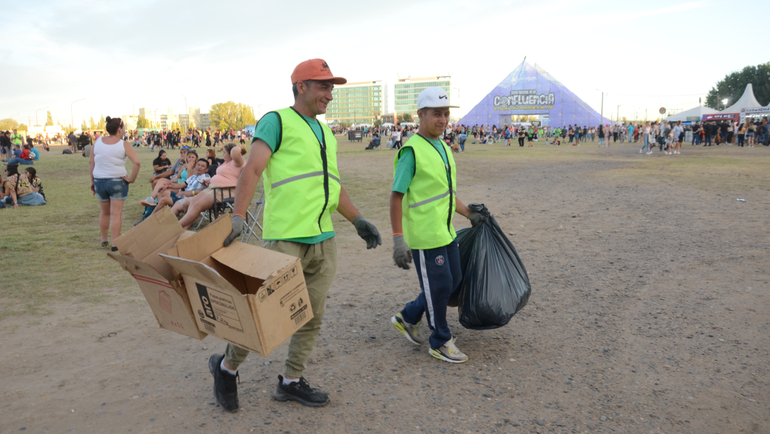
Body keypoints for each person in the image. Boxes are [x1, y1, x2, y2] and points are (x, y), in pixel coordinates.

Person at [209, 58, 382, 413]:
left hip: (323, 240)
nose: (330, 94)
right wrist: (238, 216)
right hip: (286, 239)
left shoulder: (324, 132)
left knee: (311, 314)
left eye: (332, 87)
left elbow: (332, 186)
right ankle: (226, 368)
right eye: (323, 86)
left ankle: (290, 381)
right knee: (265, 313)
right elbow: (253, 169)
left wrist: (357, 219)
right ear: (301, 86)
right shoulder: (276, 121)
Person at [389, 87, 485, 365]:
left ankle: (408, 316)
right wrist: (398, 238)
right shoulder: (411, 152)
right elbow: (397, 196)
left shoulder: (443, 147)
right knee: (441, 285)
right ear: (420, 114)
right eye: (436, 114)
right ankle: (440, 340)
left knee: (451, 282)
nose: (442, 120)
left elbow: (446, 192)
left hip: (445, 232)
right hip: (424, 236)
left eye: (445, 114)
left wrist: (469, 214)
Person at [90, 117, 140, 251]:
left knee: (104, 212)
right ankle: (115, 243)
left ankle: (104, 240)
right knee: (116, 214)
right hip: (118, 180)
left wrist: (92, 181)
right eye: (123, 128)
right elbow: (136, 162)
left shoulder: (97, 142)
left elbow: (92, 162)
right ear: (119, 129)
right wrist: (132, 178)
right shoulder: (123, 144)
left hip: (99, 180)